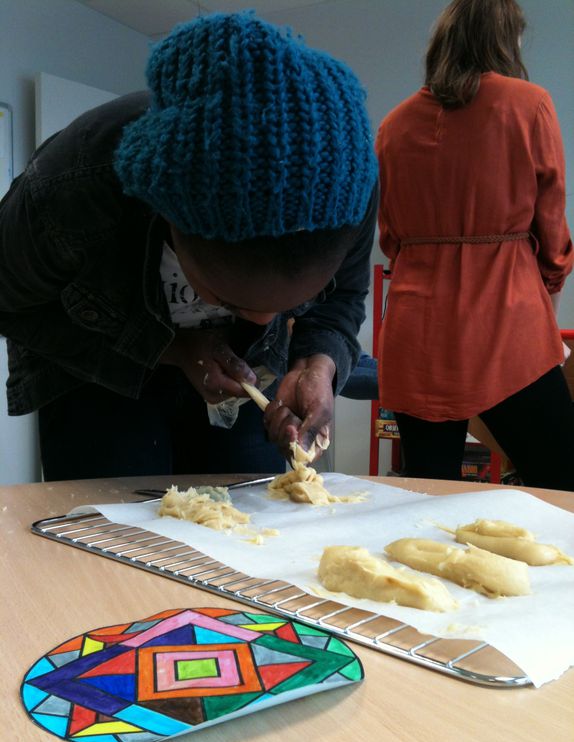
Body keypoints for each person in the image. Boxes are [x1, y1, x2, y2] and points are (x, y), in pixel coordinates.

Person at [0, 12, 378, 480]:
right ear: (169, 221)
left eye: (291, 304)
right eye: (229, 300)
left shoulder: (350, 191)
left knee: (253, 514)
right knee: (114, 525)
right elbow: (11, 306)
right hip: (96, 372)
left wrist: (316, 362)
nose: (262, 322)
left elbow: (342, 298)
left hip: (235, 378)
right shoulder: (70, 189)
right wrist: (174, 348)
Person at [375, 0, 574, 490]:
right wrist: (549, 287)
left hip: (416, 330)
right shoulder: (529, 104)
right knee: (561, 483)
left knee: (428, 492)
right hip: (508, 322)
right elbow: (551, 227)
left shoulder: (393, 126)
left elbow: (391, 240)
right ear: (505, 38)